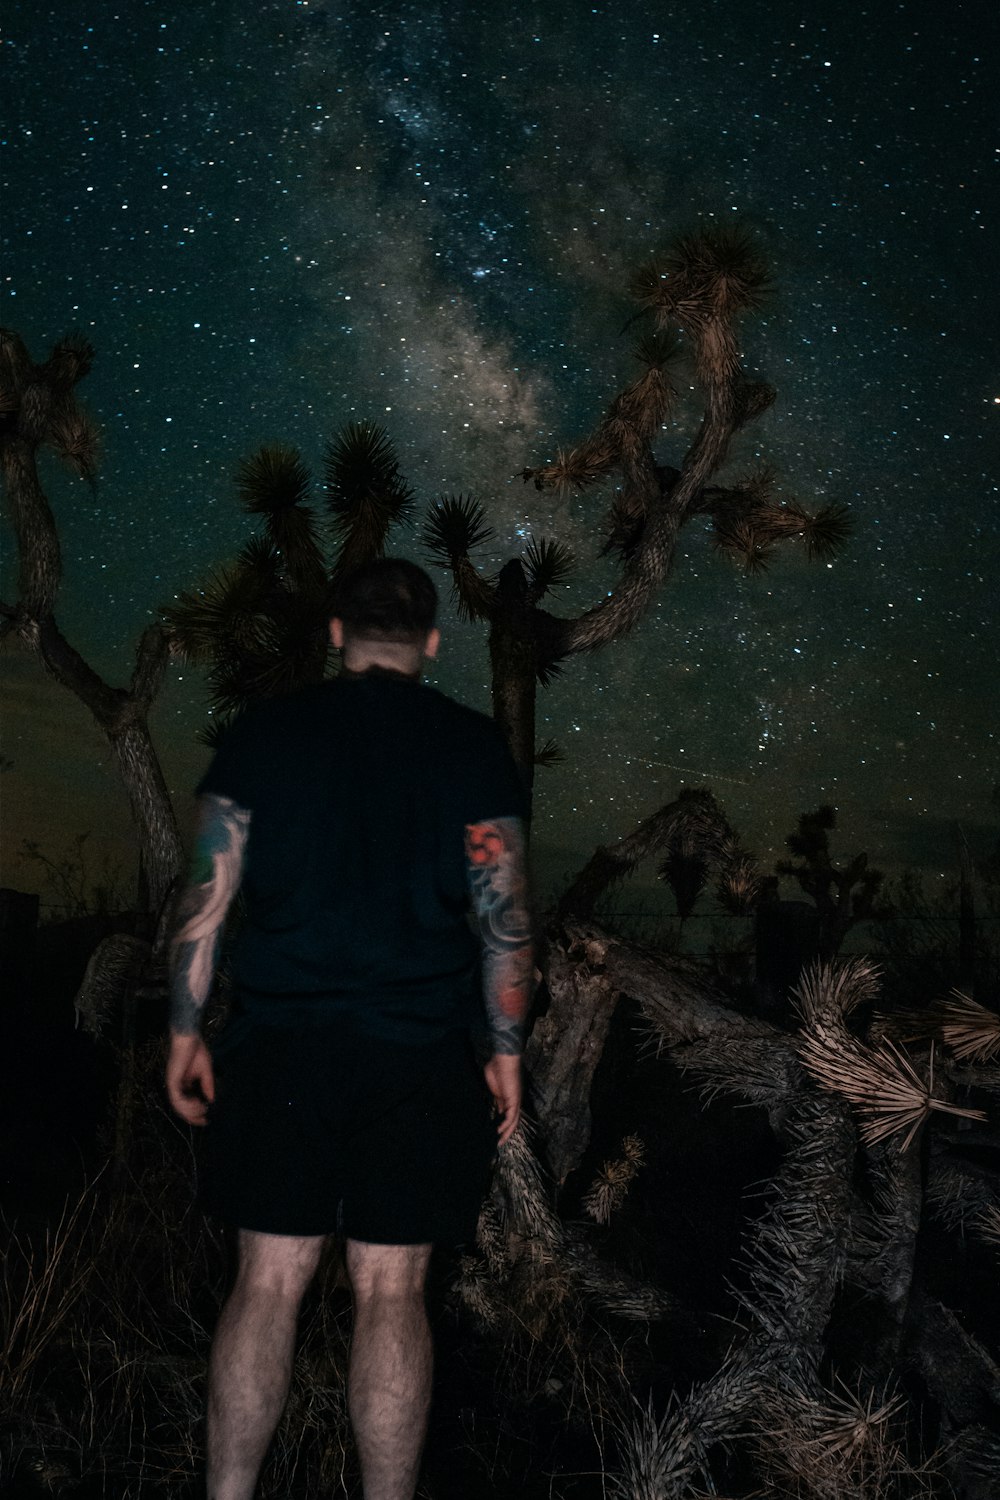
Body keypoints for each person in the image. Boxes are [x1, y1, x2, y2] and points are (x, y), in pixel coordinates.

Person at [165, 557, 533, 1500]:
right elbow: (505, 919)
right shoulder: (470, 745)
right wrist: (504, 1051)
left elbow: (207, 896)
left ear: (336, 632)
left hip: (281, 1045)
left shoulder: (267, 733)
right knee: (393, 1292)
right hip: (417, 1052)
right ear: (432, 642)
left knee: (268, 1283)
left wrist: (184, 1027)